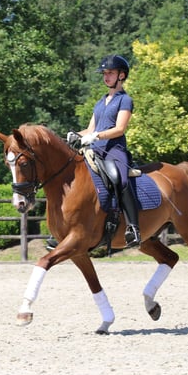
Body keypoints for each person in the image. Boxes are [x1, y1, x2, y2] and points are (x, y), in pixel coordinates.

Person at [68, 54, 142, 249]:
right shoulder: (100, 102)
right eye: (104, 73)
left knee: (119, 178)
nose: (106, 76)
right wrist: (74, 135)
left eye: (110, 73)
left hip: (114, 150)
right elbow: (90, 129)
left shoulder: (125, 100)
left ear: (121, 75)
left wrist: (97, 136)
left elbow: (119, 129)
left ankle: (133, 228)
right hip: (94, 150)